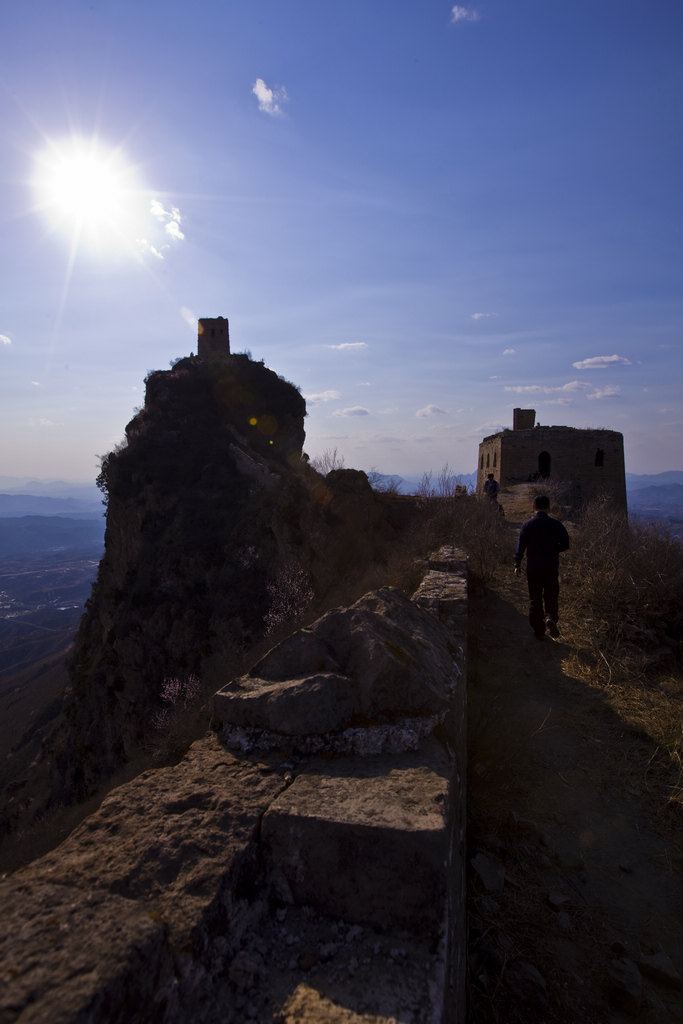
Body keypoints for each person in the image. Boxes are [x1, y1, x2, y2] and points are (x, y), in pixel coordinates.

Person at [514, 494, 570, 640]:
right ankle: (550, 617)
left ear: (533, 507)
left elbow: (520, 546)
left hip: (533, 568)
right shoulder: (556, 524)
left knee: (535, 598)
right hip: (551, 567)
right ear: (549, 508)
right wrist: (554, 549)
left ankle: (538, 630)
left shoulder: (527, 525)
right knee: (551, 595)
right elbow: (566, 544)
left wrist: (517, 564)